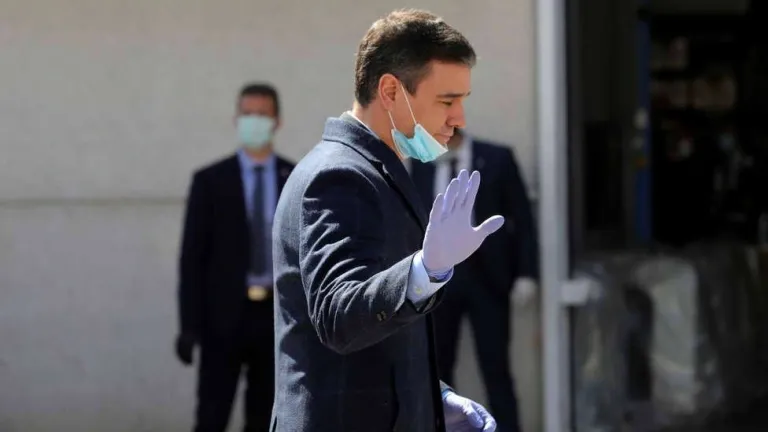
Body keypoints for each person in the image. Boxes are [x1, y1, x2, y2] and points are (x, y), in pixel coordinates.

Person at [271, 9, 502, 432]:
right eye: (447, 101)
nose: (459, 119)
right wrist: (425, 270)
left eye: (462, 101)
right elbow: (339, 316)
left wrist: (434, 397)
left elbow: (383, 334)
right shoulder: (338, 176)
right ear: (391, 91)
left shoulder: (375, 169)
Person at [175, 82, 295, 432]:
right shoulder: (210, 181)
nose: (254, 122)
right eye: (247, 114)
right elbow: (192, 259)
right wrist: (189, 325)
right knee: (212, 413)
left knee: (266, 415)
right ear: (236, 119)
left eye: (262, 114)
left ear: (277, 121)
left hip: (275, 316)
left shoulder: (295, 177)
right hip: (223, 317)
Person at [410, 128, 539, 432]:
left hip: (487, 280)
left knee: (496, 369)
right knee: (438, 369)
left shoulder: (496, 158)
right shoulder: (421, 162)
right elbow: (414, 221)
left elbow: (522, 219)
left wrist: (526, 274)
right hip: (439, 281)